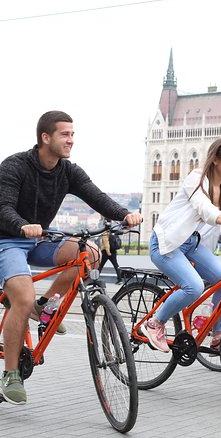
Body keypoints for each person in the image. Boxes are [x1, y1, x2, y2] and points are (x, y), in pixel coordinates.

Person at [0, 111, 142, 405]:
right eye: (65, 134)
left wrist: (124, 214)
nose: (71, 141)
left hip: (41, 238)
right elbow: (3, 207)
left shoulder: (68, 171)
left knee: (87, 252)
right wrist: (21, 226)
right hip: (7, 239)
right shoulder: (15, 166)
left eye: (73, 135)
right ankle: (11, 373)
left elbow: (96, 196)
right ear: (45, 137)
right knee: (21, 300)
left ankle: (45, 307)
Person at [141, 138, 221, 354]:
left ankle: (218, 336)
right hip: (167, 244)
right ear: (216, 159)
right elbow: (205, 209)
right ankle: (154, 324)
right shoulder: (196, 178)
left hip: (191, 244)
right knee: (194, 287)